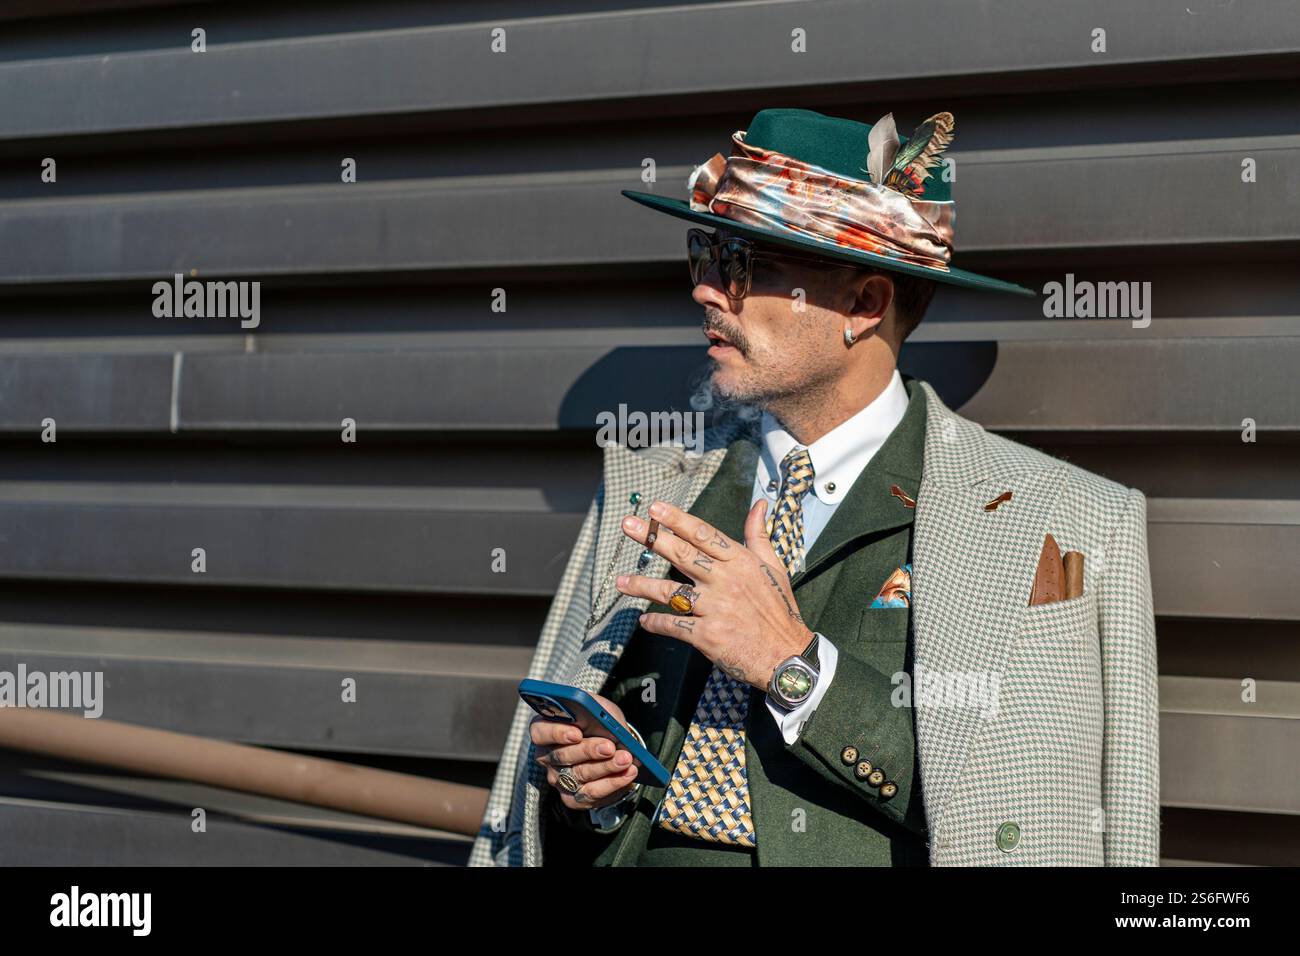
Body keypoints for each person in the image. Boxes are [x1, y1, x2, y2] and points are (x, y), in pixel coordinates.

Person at [470, 107, 1160, 866]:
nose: (707, 292)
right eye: (705, 255)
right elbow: (560, 811)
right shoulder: (647, 481)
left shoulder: (1058, 521)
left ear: (864, 306)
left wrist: (793, 665)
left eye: (747, 265)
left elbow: (1022, 807)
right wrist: (584, 795)